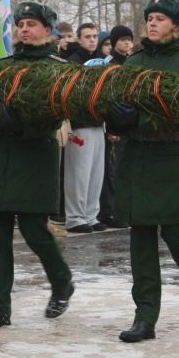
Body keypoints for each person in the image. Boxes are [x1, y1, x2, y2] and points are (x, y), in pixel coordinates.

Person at [108, 0, 179, 343]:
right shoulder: (134, 60)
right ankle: (145, 317)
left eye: (160, 18)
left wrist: (140, 116)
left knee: (175, 233)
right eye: (149, 18)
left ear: (176, 24)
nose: (152, 23)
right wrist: (116, 118)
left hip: (173, 156)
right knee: (140, 235)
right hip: (137, 155)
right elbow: (115, 100)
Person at [0, 1, 75, 331]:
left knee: (35, 230)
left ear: (48, 31)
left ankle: (62, 280)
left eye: (32, 24)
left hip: (36, 154)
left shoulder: (57, 69)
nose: (23, 29)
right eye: (20, 23)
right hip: (0, 155)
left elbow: (54, 114)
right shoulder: (2, 65)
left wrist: (20, 124)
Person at [65, 22, 106, 234]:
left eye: (94, 36)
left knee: (96, 174)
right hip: (80, 123)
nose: (92, 40)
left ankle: (91, 214)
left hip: (99, 122)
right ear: (79, 39)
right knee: (78, 174)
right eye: (87, 36)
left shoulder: (101, 62)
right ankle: (75, 216)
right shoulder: (73, 62)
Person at [97, 24, 136, 228]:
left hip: (128, 121)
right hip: (114, 123)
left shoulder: (130, 62)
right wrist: (110, 127)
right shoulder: (109, 63)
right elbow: (106, 96)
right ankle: (109, 211)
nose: (126, 43)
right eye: (122, 39)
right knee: (112, 171)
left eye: (129, 39)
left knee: (125, 169)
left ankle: (123, 209)